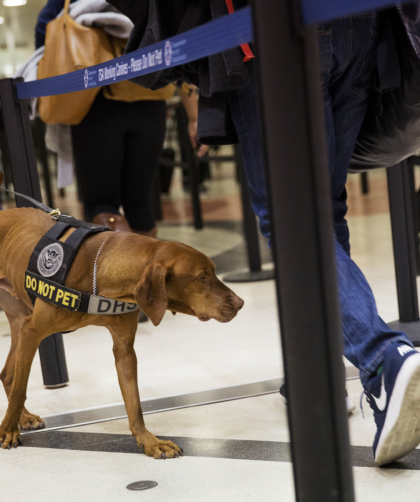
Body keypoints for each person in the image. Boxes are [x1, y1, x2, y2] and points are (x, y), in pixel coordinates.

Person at [36, 0, 207, 237]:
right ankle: (143, 271)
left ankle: (112, 272)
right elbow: (174, 43)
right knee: (140, 202)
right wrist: (193, 115)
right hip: (151, 98)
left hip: (96, 105)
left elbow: (44, 30)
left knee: (101, 203)